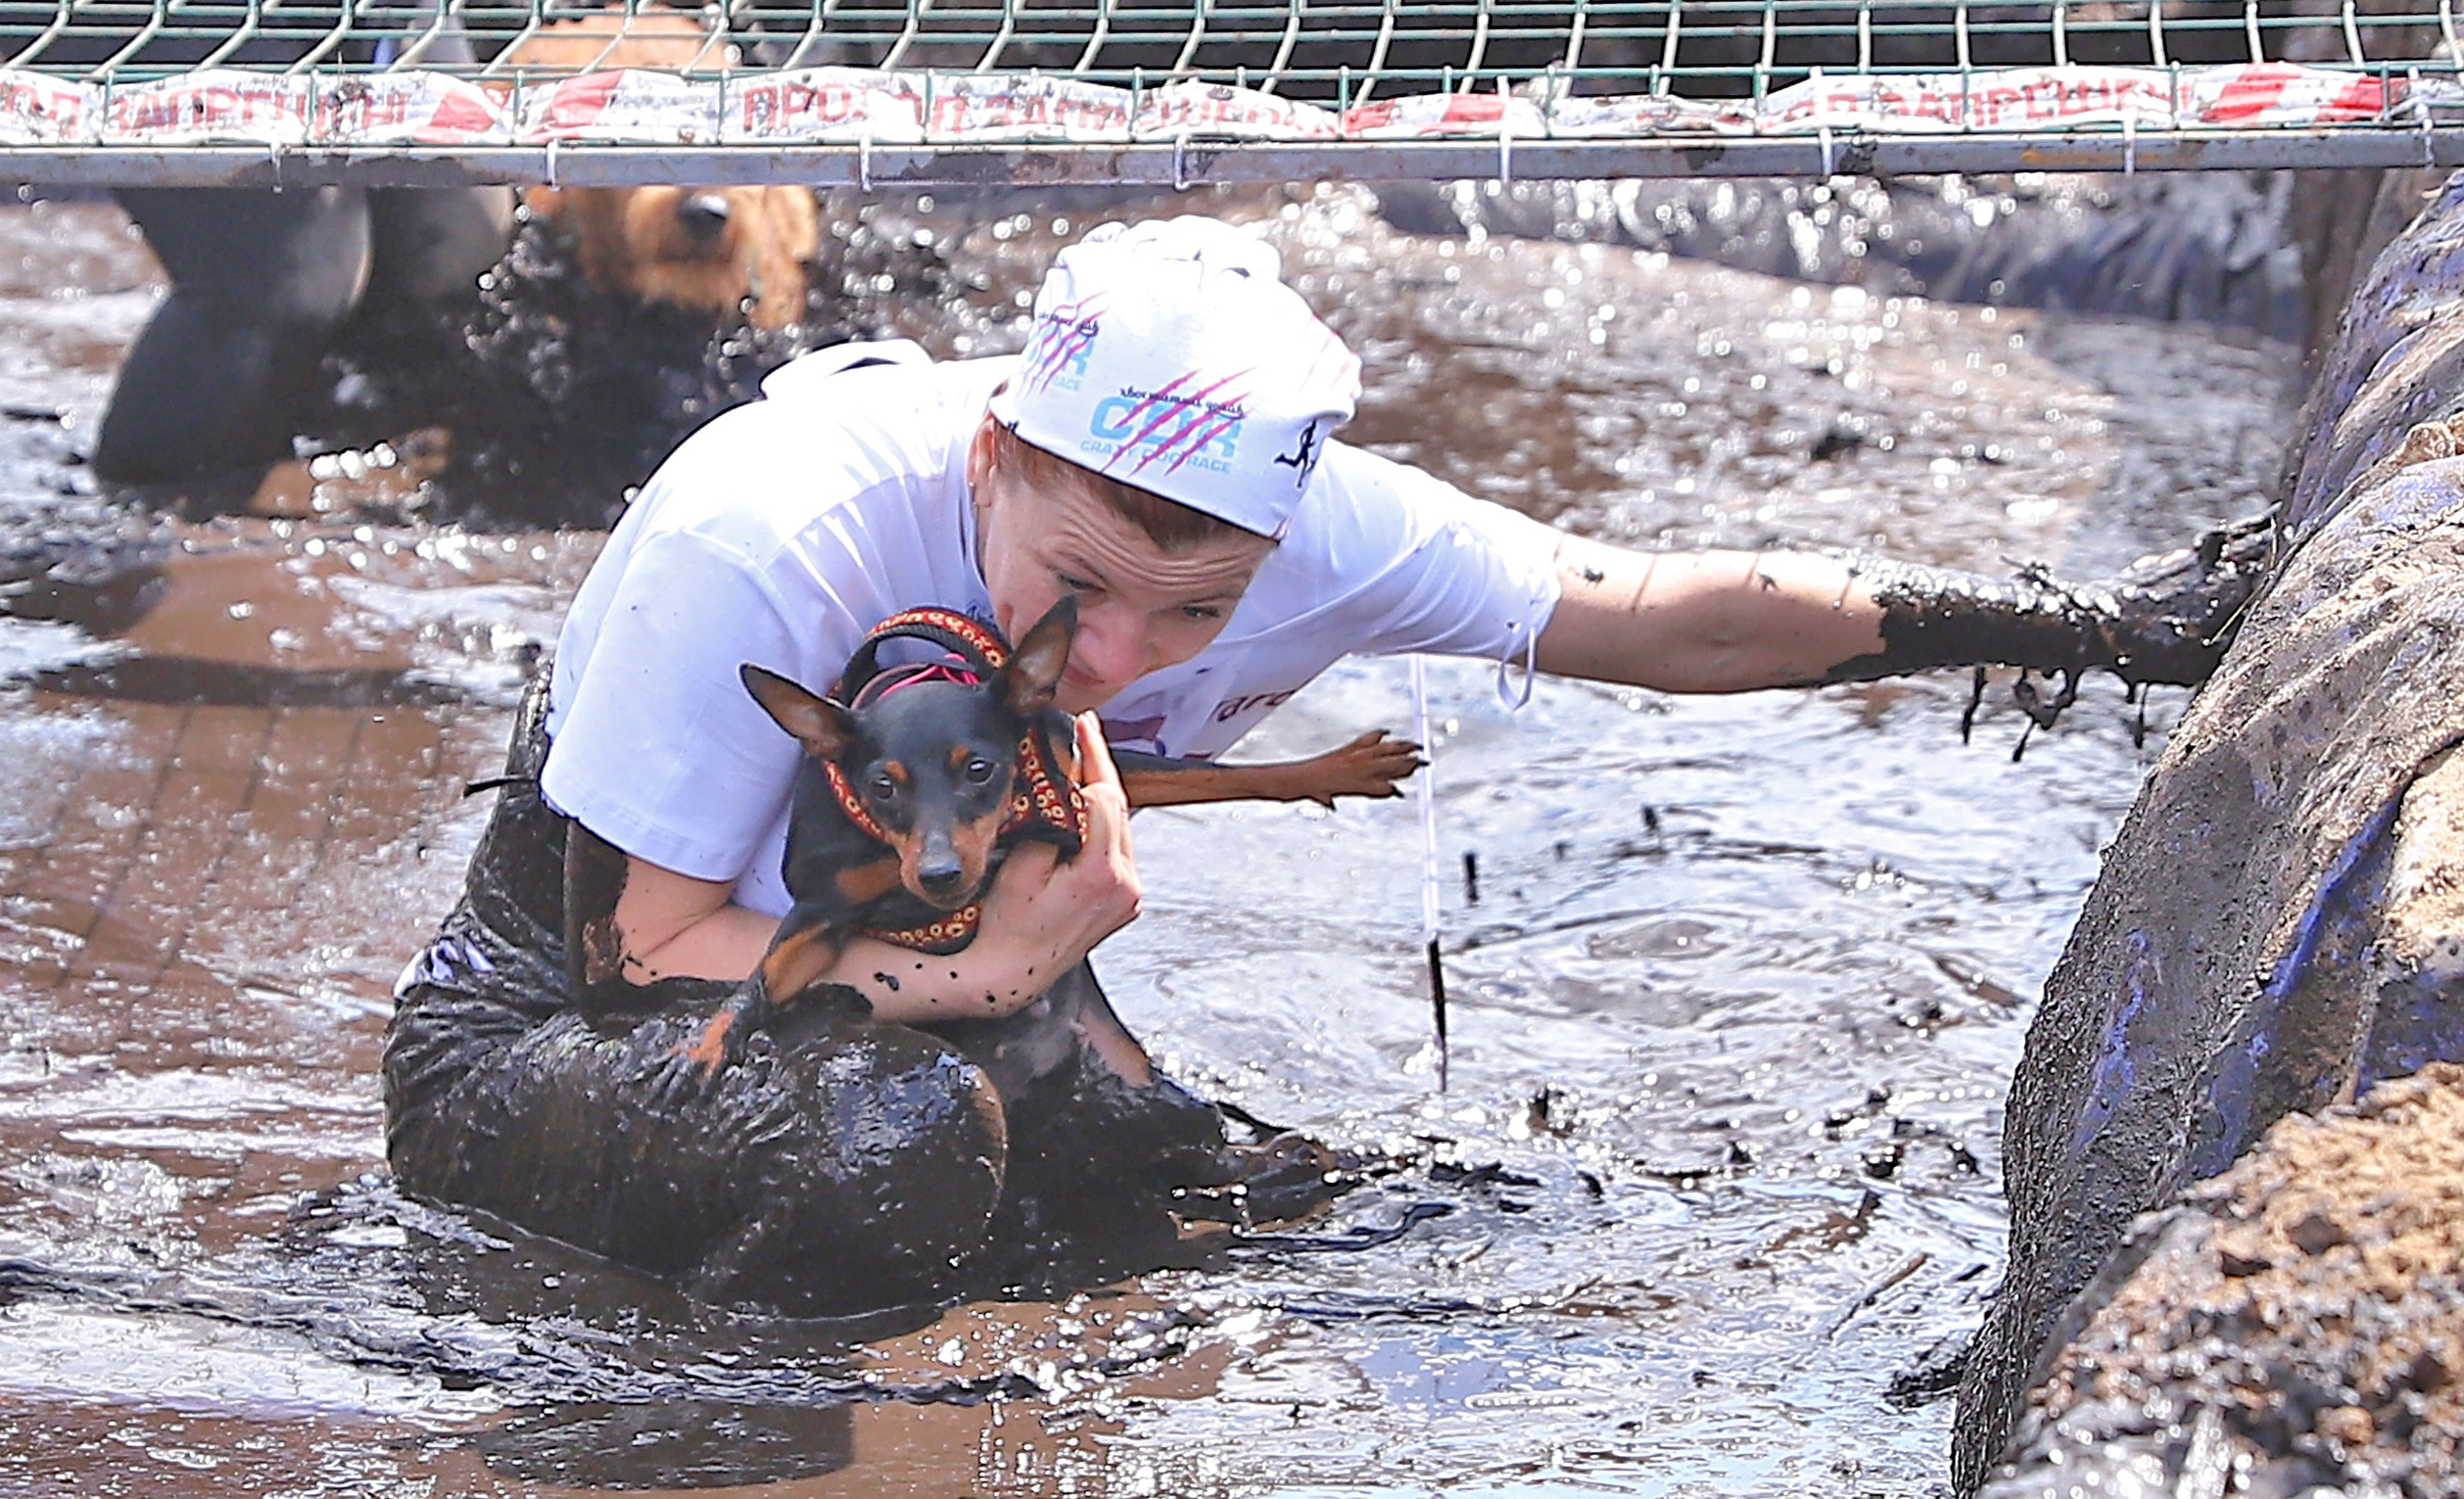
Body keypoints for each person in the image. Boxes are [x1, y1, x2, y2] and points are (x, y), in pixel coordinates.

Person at [383, 214, 2251, 1316]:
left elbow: (1669, 617)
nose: (1108, 669)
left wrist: (2093, 629)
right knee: (904, 1146)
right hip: (571, 1015)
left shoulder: (1326, 528)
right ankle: (654, 1396)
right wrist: (991, 976)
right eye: (1073, 594)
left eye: (1191, 621)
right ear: (989, 461)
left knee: (1238, 1200)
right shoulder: (774, 536)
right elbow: (642, 955)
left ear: (1276, 552)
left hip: (923, 966)